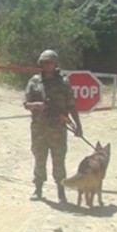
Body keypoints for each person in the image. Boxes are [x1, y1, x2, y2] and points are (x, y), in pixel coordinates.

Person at [23, 49, 82, 202]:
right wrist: (36, 105)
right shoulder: (34, 81)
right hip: (39, 128)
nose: (47, 65)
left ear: (55, 64)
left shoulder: (64, 82)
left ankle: (61, 191)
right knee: (39, 158)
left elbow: (72, 106)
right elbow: (26, 104)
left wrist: (78, 126)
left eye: (50, 62)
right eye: (44, 62)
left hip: (58, 127)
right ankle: (38, 189)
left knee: (59, 159)